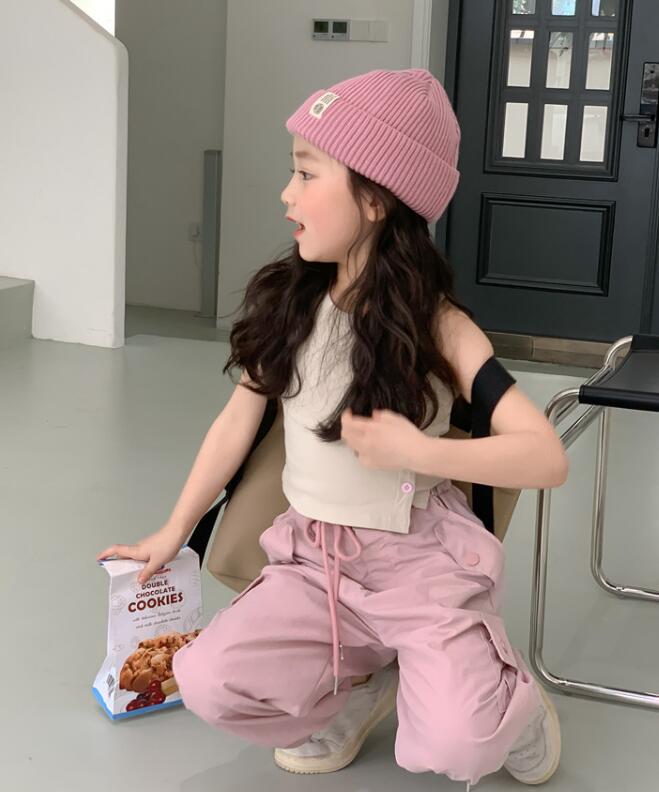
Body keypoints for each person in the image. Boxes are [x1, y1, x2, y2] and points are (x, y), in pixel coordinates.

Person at [97, 68, 568, 789]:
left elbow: (545, 457)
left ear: (375, 198)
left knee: (459, 747)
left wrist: (420, 450)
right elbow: (236, 420)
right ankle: (359, 683)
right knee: (207, 678)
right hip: (313, 563)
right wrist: (174, 530)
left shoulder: (442, 328)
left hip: (418, 566)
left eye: (306, 173)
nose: (287, 194)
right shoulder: (292, 305)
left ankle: (514, 707)